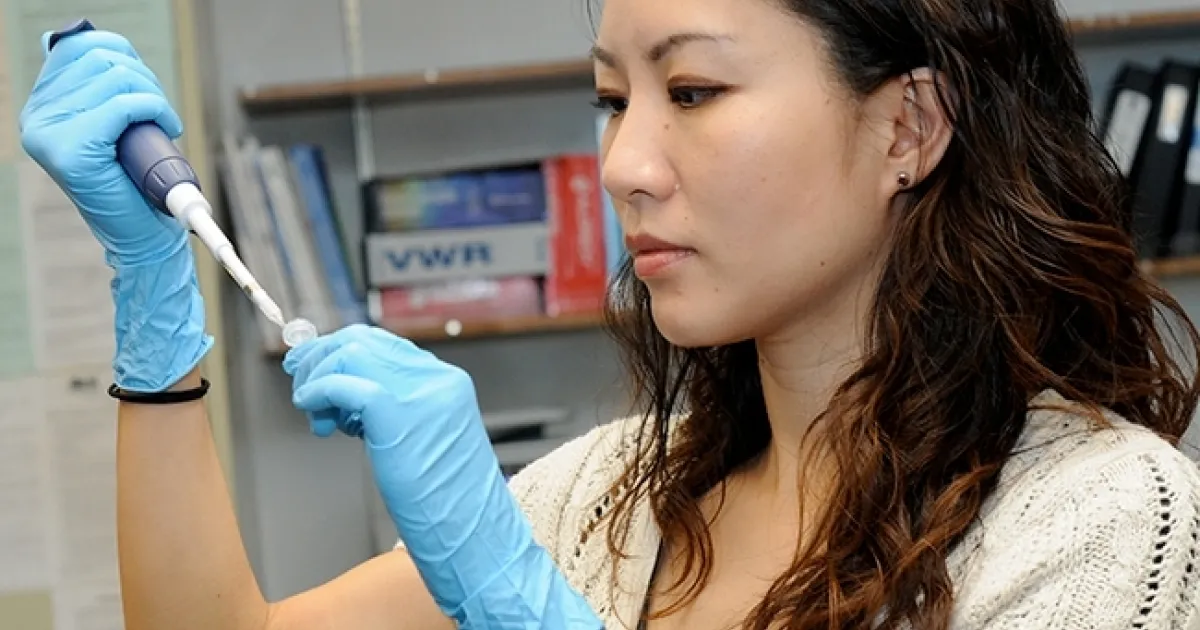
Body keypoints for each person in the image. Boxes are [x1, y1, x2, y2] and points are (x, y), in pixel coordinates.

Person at [17, 0, 1200, 627]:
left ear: (909, 126)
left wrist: (518, 606)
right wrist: (154, 296)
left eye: (693, 90)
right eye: (611, 99)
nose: (624, 163)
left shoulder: (1098, 523)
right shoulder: (614, 495)